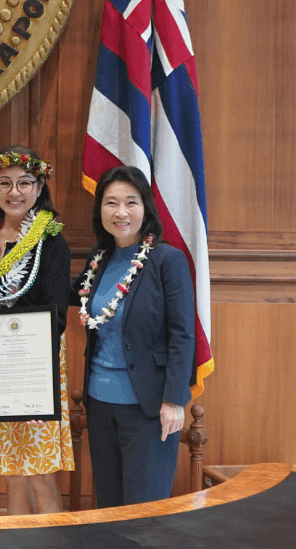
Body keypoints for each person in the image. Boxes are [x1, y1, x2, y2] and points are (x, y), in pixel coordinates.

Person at [0, 146, 75, 515]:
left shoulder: (52, 239)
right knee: (9, 471)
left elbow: (56, 314)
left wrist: (4, 313)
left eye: (25, 182)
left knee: (39, 471)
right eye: (5, 183)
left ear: (40, 185)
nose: (15, 192)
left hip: (34, 364)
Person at [77, 164, 196, 508]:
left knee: (145, 515)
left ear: (146, 207)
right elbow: (71, 298)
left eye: (131, 202)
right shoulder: (99, 259)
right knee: (109, 511)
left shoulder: (167, 260)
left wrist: (174, 400)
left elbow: (182, 335)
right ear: (100, 210)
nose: (121, 212)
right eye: (111, 203)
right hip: (99, 405)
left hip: (149, 407)